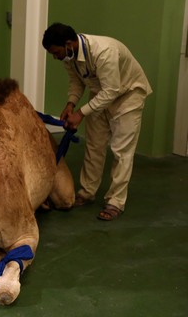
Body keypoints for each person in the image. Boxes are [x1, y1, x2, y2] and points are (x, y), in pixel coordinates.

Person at [42, 23, 152, 221]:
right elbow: (76, 81)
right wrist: (70, 104)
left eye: (57, 52)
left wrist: (80, 113)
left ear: (69, 44)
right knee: (94, 145)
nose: (55, 57)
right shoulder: (70, 56)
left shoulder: (104, 51)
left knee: (121, 151)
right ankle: (87, 192)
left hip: (128, 96)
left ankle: (115, 202)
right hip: (100, 95)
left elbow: (112, 90)